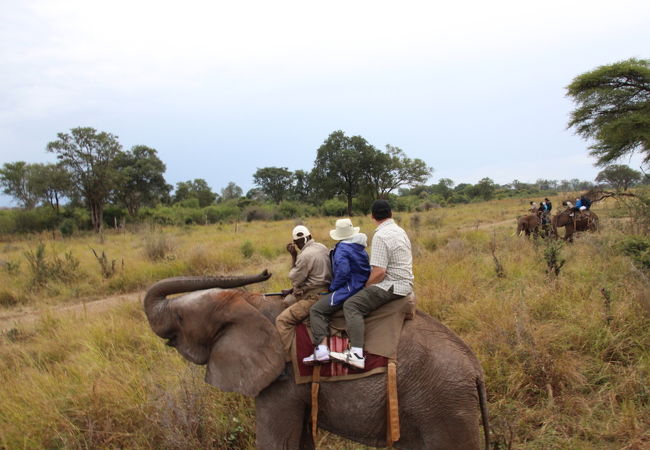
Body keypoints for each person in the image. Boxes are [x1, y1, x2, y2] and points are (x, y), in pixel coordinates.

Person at [329, 200, 414, 369]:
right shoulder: (400, 231)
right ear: (391, 214)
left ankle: (356, 354)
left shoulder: (381, 236)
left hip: (392, 285)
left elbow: (379, 272)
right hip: (405, 281)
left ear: (372, 217)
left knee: (352, 305)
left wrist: (364, 286)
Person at [302, 218, 371, 365]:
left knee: (316, 310)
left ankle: (321, 350)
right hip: (360, 286)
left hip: (348, 288)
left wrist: (332, 288)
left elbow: (343, 272)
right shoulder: (358, 246)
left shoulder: (342, 249)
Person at [275, 225, 332, 360]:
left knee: (282, 320)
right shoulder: (322, 247)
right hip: (327, 291)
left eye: (296, 243)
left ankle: (286, 361)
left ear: (296, 243)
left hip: (313, 297)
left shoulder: (304, 256)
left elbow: (294, 279)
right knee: (288, 301)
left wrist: (294, 256)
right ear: (310, 236)